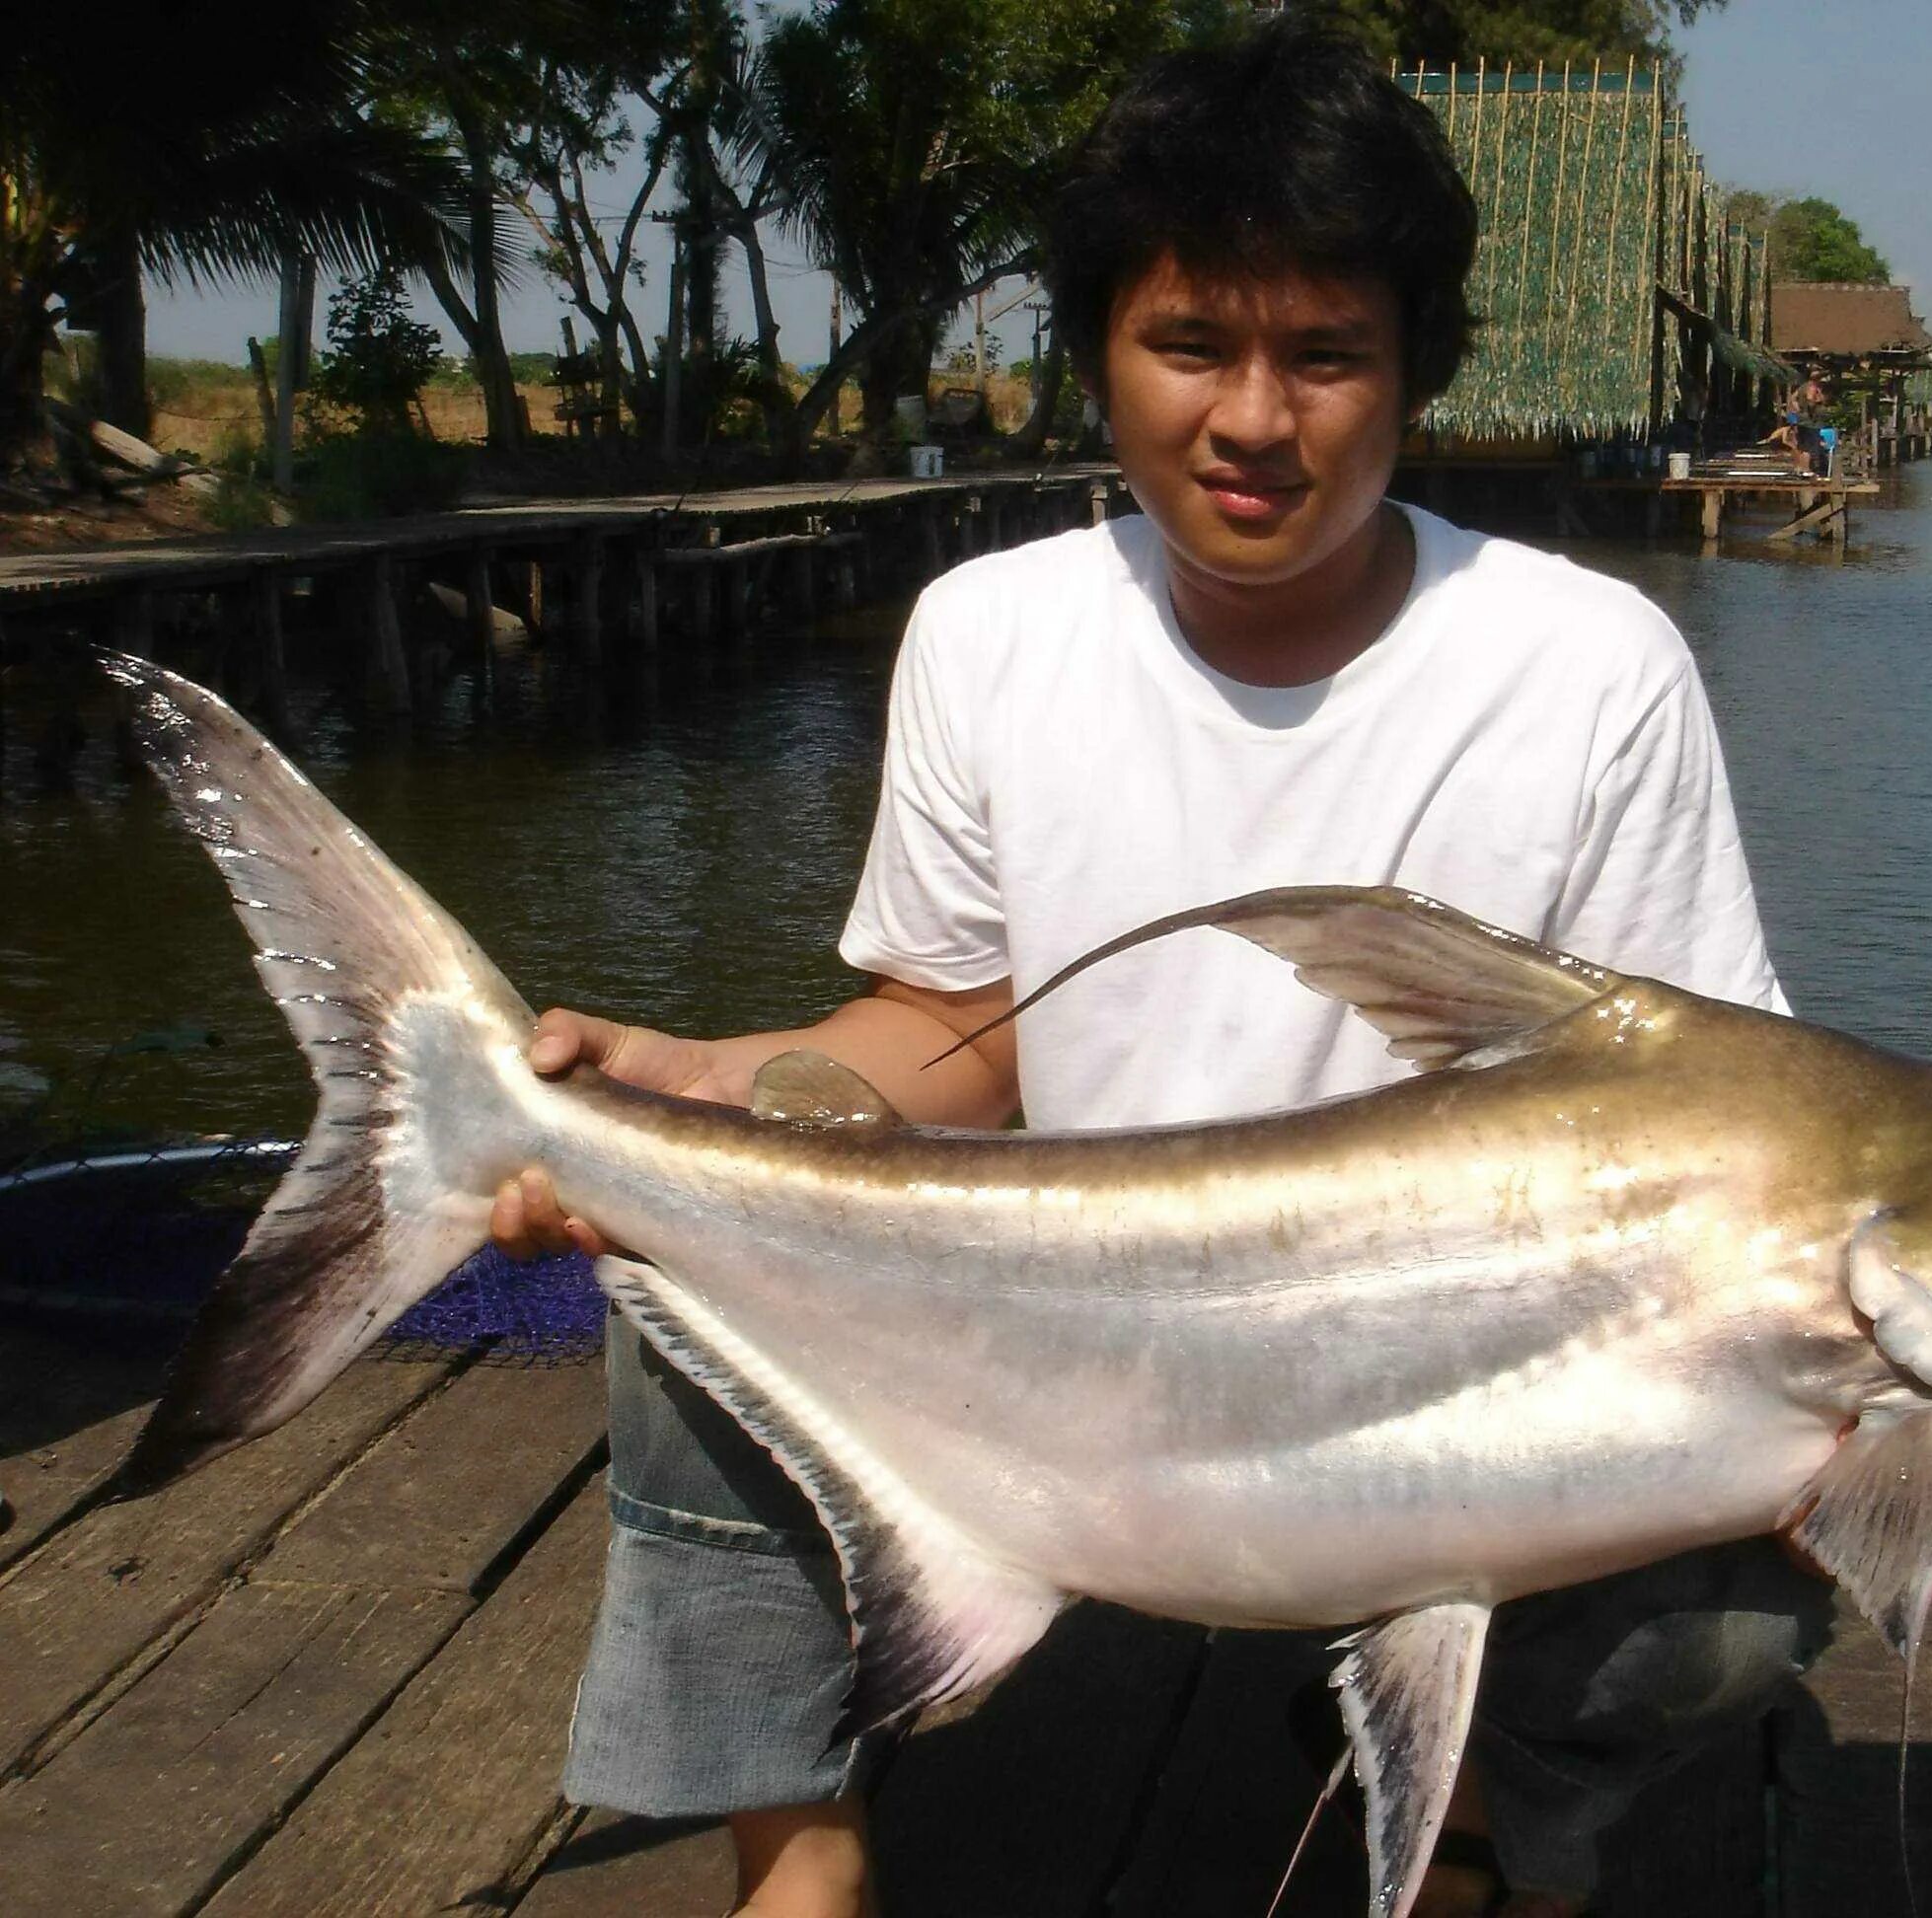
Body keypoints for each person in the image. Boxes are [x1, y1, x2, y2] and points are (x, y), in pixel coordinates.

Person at [493, 20, 1826, 1917]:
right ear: (1102, 356)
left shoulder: (1590, 665)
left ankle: (1448, 1830)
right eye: (1192, 345)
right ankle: (799, 1859)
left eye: (1327, 355)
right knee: (690, 1257)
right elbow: (961, 1024)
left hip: (1461, 1362)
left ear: (1417, 373)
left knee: (1752, 1593)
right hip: (1068, 1327)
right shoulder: (989, 633)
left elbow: (1711, 1121)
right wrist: (738, 1091)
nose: (1255, 422)